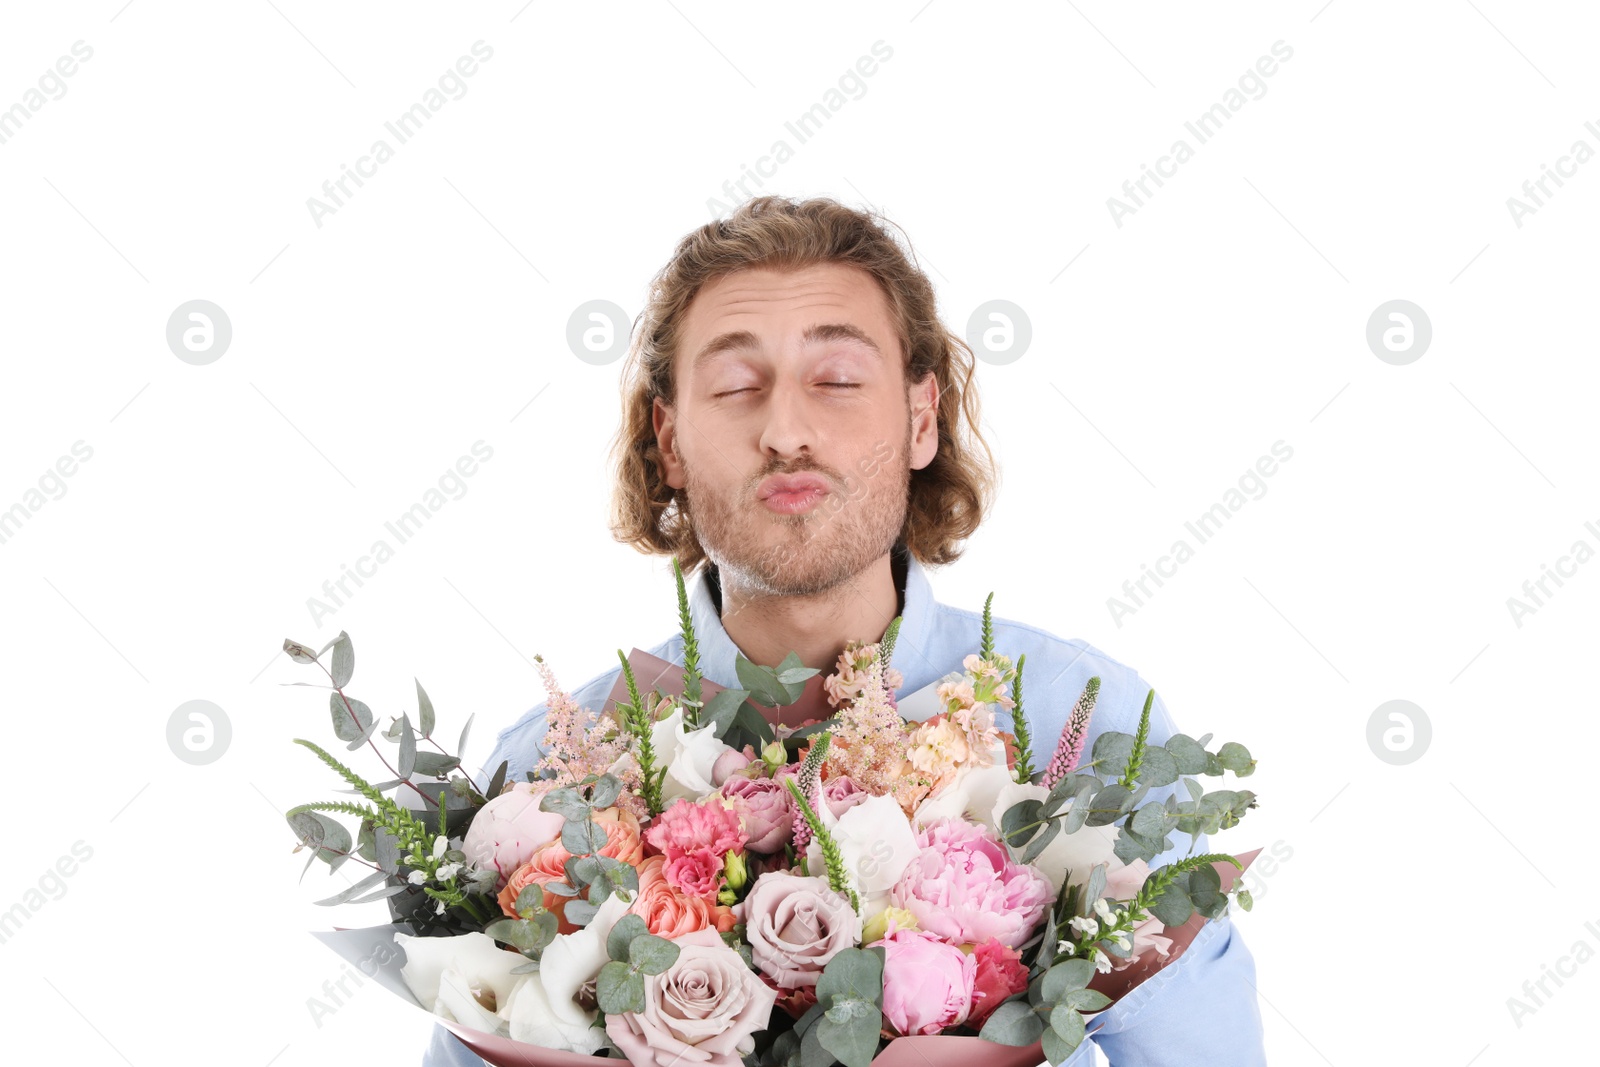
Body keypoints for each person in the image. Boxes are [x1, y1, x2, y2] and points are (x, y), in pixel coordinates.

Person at [424, 196, 1265, 1066]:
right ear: (668, 441)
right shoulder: (550, 779)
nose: (786, 431)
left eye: (836, 380)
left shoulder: (1088, 728)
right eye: (736, 387)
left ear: (921, 418)